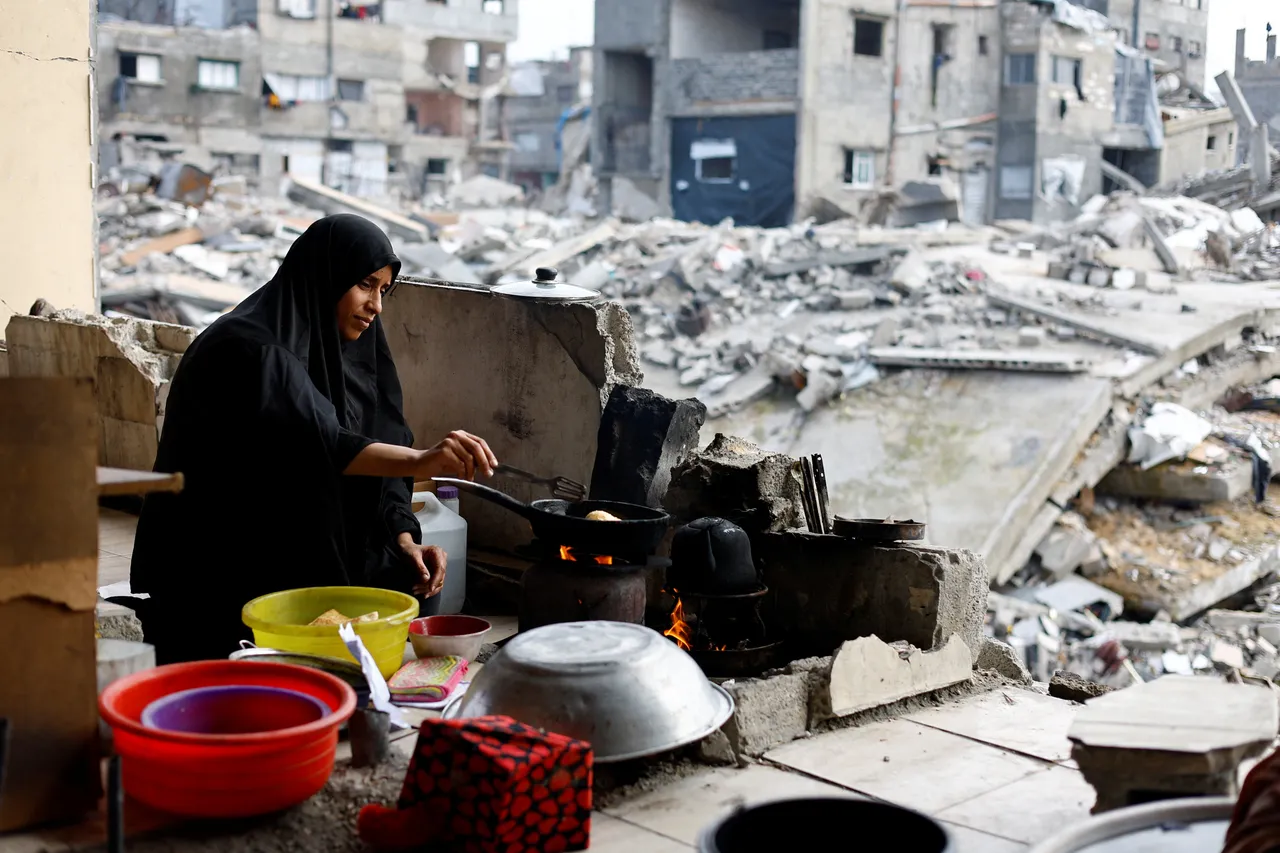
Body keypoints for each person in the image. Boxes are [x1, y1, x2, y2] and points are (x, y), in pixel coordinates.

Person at [130, 214, 498, 665]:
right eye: (365, 284)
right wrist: (422, 460)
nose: (376, 306)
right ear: (327, 275)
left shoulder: (353, 351)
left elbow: (381, 439)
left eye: (384, 290)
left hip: (299, 529)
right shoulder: (248, 347)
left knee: (410, 580)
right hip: (227, 550)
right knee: (286, 634)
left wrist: (403, 537)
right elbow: (321, 444)